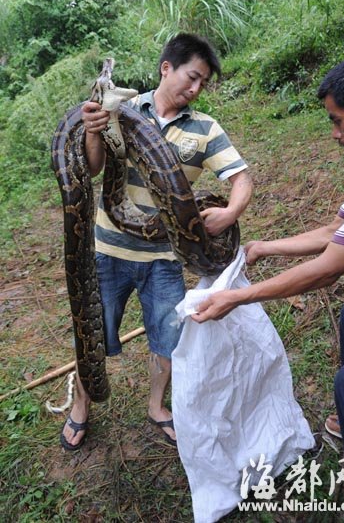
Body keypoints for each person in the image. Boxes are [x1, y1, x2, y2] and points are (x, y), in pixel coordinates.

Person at [192, 55, 344, 520]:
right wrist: (262, 247)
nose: (334, 134)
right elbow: (333, 231)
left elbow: (327, 268)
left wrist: (236, 297)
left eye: (338, 122)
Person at [60, 33, 253, 450]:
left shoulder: (205, 129)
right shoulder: (122, 112)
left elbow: (240, 178)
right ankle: (81, 406)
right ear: (167, 67)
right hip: (108, 251)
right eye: (191, 77)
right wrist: (94, 132)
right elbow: (93, 171)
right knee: (91, 330)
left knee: (166, 338)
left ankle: (156, 406)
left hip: (164, 258)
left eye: (202, 82)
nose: (195, 88)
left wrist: (231, 212)